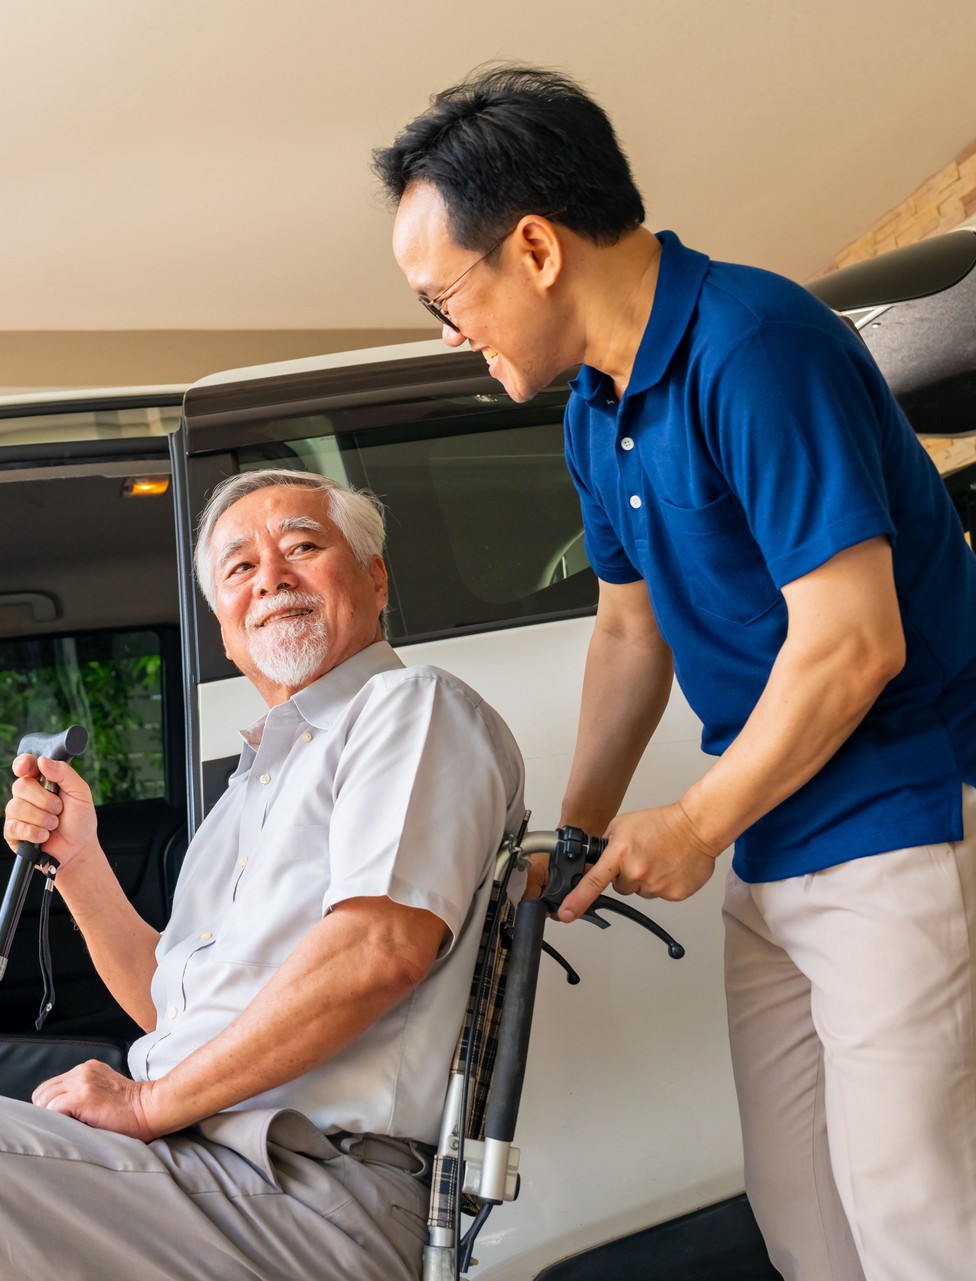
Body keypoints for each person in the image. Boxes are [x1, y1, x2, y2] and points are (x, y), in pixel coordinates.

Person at [375, 66, 976, 1281]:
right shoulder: (595, 410)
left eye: (449, 297)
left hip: (898, 821)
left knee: (914, 1213)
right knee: (803, 1210)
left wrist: (697, 820)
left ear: (534, 247)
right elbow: (628, 637)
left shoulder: (755, 346)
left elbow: (857, 640)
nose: (452, 335)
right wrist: (583, 832)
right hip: (780, 839)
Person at [0, 469, 524, 1281]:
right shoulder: (246, 790)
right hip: (205, 1167)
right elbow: (171, 1006)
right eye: (239, 569)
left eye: (302, 547)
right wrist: (77, 862)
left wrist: (146, 1104)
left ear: (375, 577)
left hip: (310, 1189)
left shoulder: (407, 707)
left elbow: (377, 950)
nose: (271, 578)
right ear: (223, 625)